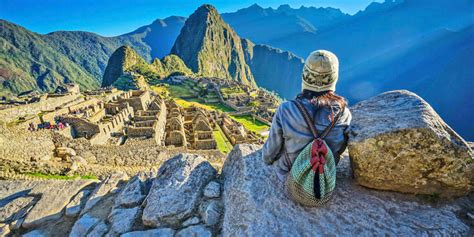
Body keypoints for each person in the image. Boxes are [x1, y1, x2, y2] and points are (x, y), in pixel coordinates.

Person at [263, 50, 351, 183]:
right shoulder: (343, 113)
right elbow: (341, 148)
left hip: (290, 175)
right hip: (324, 178)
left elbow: (270, 152)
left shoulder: (287, 110)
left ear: (305, 76)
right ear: (334, 78)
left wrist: (267, 159)